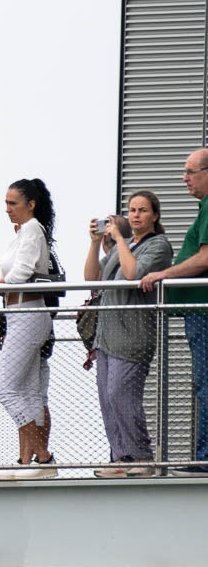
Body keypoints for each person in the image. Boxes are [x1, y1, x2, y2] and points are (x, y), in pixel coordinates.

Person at [84, 203, 172, 477]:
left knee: (121, 395)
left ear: (154, 215)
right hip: (107, 336)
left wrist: (120, 239)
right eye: (132, 210)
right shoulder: (125, 247)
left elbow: (133, 274)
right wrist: (96, 243)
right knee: (107, 399)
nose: (135, 215)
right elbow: (92, 278)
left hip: (133, 334)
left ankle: (142, 456)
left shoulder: (158, 246)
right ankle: (120, 459)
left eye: (142, 210)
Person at [142, 148, 208, 476]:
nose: (185, 178)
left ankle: (206, 456)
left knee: (205, 382)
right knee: (202, 382)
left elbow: (205, 258)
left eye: (191, 171)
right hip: (198, 312)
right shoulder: (204, 208)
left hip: (204, 312)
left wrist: (162, 274)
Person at [0, 179, 60, 479]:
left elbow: (22, 272)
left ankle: (43, 458)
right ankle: (29, 461)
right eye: (5, 203)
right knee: (29, 392)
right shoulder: (23, 232)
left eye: (13, 203)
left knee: (5, 389)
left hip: (28, 315)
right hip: (18, 313)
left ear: (30, 204)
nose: (7, 209)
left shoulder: (33, 228)